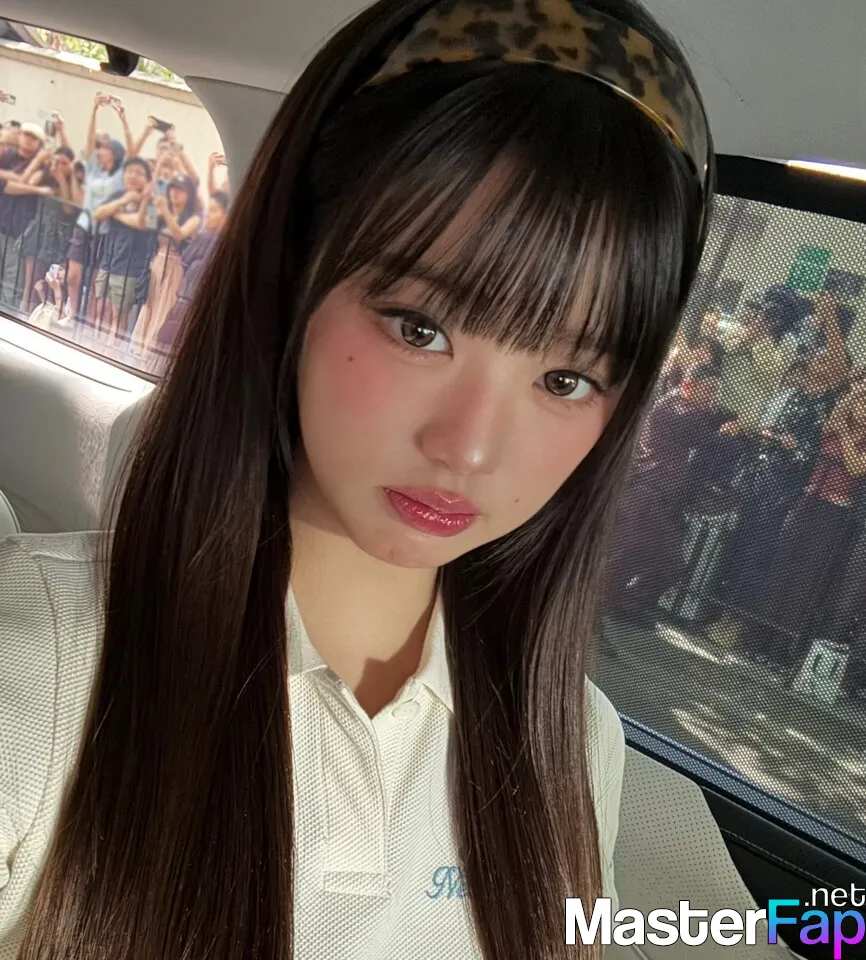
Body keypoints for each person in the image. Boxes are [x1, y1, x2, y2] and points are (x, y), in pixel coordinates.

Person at [0, 1, 713, 958]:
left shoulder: (574, 742)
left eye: (566, 380)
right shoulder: (39, 668)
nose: (468, 449)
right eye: (421, 328)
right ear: (293, 274)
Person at [607, 365, 737, 623]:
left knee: (654, 559)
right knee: (641, 558)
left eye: (716, 391)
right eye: (708, 390)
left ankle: (621, 604)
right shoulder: (675, 409)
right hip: (647, 495)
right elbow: (708, 439)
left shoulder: (689, 409)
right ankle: (610, 607)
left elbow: (716, 418)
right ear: (689, 386)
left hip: (660, 499)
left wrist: (733, 424)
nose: (712, 397)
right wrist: (730, 433)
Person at [153, 189, 229, 363]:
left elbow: (186, 260)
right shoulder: (211, 240)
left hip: (189, 306)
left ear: (226, 215)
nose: (208, 216)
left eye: (214, 211)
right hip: (190, 305)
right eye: (208, 210)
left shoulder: (211, 240)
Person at [130, 174, 201, 359]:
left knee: (165, 306)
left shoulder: (193, 219)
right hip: (157, 264)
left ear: (189, 194)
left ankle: (153, 348)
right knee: (151, 304)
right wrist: (147, 201)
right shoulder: (163, 211)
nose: (175, 193)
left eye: (181, 190)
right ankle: (141, 345)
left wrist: (165, 211)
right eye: (173, 188)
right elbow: (143, 224)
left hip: (175, 267)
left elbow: (179, 234)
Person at [90, 157, 155, 341]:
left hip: (130, 267)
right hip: (107, 261)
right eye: (130, 171)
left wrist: (116, 214)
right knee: (101, 308)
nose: (133, 176)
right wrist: (123, 201)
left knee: (119, 314)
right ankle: (96, 343)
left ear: (147, 180)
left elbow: (141, 223)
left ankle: (113, 349)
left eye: (139, 173)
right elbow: (98, 213)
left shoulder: (151, 203)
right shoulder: (118, 195)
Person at [0, 121, 45, 304]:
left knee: (11, 282)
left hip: (18, 231)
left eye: (33, 137)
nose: (27, 140)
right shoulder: (7, 155)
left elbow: (27, 182)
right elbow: (8, 187)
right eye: (25, 134)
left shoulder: (41, 166)